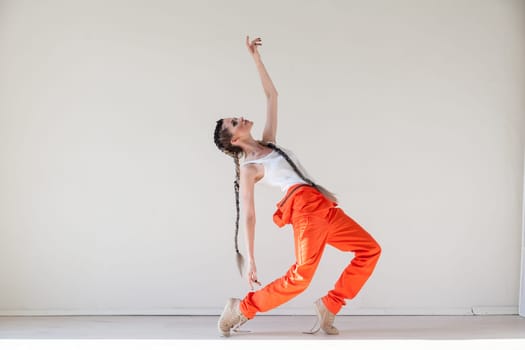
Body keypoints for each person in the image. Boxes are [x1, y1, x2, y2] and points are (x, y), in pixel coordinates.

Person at [213, 36, 381, 336]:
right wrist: (251, 258)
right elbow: (249, 216)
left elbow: (272, 96)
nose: (240, 118)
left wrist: (256, 59)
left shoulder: (269, 144)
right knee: (301, 277)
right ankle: (242, 309)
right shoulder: (249, 168)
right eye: (234, 123)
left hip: (323, 205)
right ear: (234, 139)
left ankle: (330, 304)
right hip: (304, 208)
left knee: (369, 250)